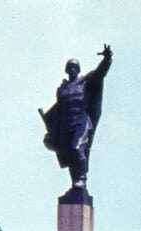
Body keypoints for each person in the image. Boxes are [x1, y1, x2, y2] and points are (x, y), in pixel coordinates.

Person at [39, 44, 113, 190]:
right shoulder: (62, 89)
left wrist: (107, 58)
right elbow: (58, 109)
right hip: (66, 123)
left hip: (81, 120)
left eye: (75, 67)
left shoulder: (85, 81)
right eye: (70, 67)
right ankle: (75, 183)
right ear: (66, 70)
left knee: (77, 148)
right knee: (68, 154)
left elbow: (100, 72)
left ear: (78, 70)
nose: (72, 69)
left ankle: (81, 179)